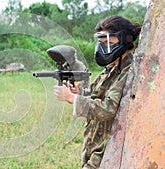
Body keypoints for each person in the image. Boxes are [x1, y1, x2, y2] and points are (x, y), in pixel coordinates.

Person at [54, 15, 141, 168]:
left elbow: (108, 109)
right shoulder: (113, 68)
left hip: (108, 146)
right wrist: (79, 93)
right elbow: (96, 96)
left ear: (124, 41)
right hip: (95, 143)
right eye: (101, 42)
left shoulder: (128, 71)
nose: (102, 47)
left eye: (108, 42)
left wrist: (72, 99)